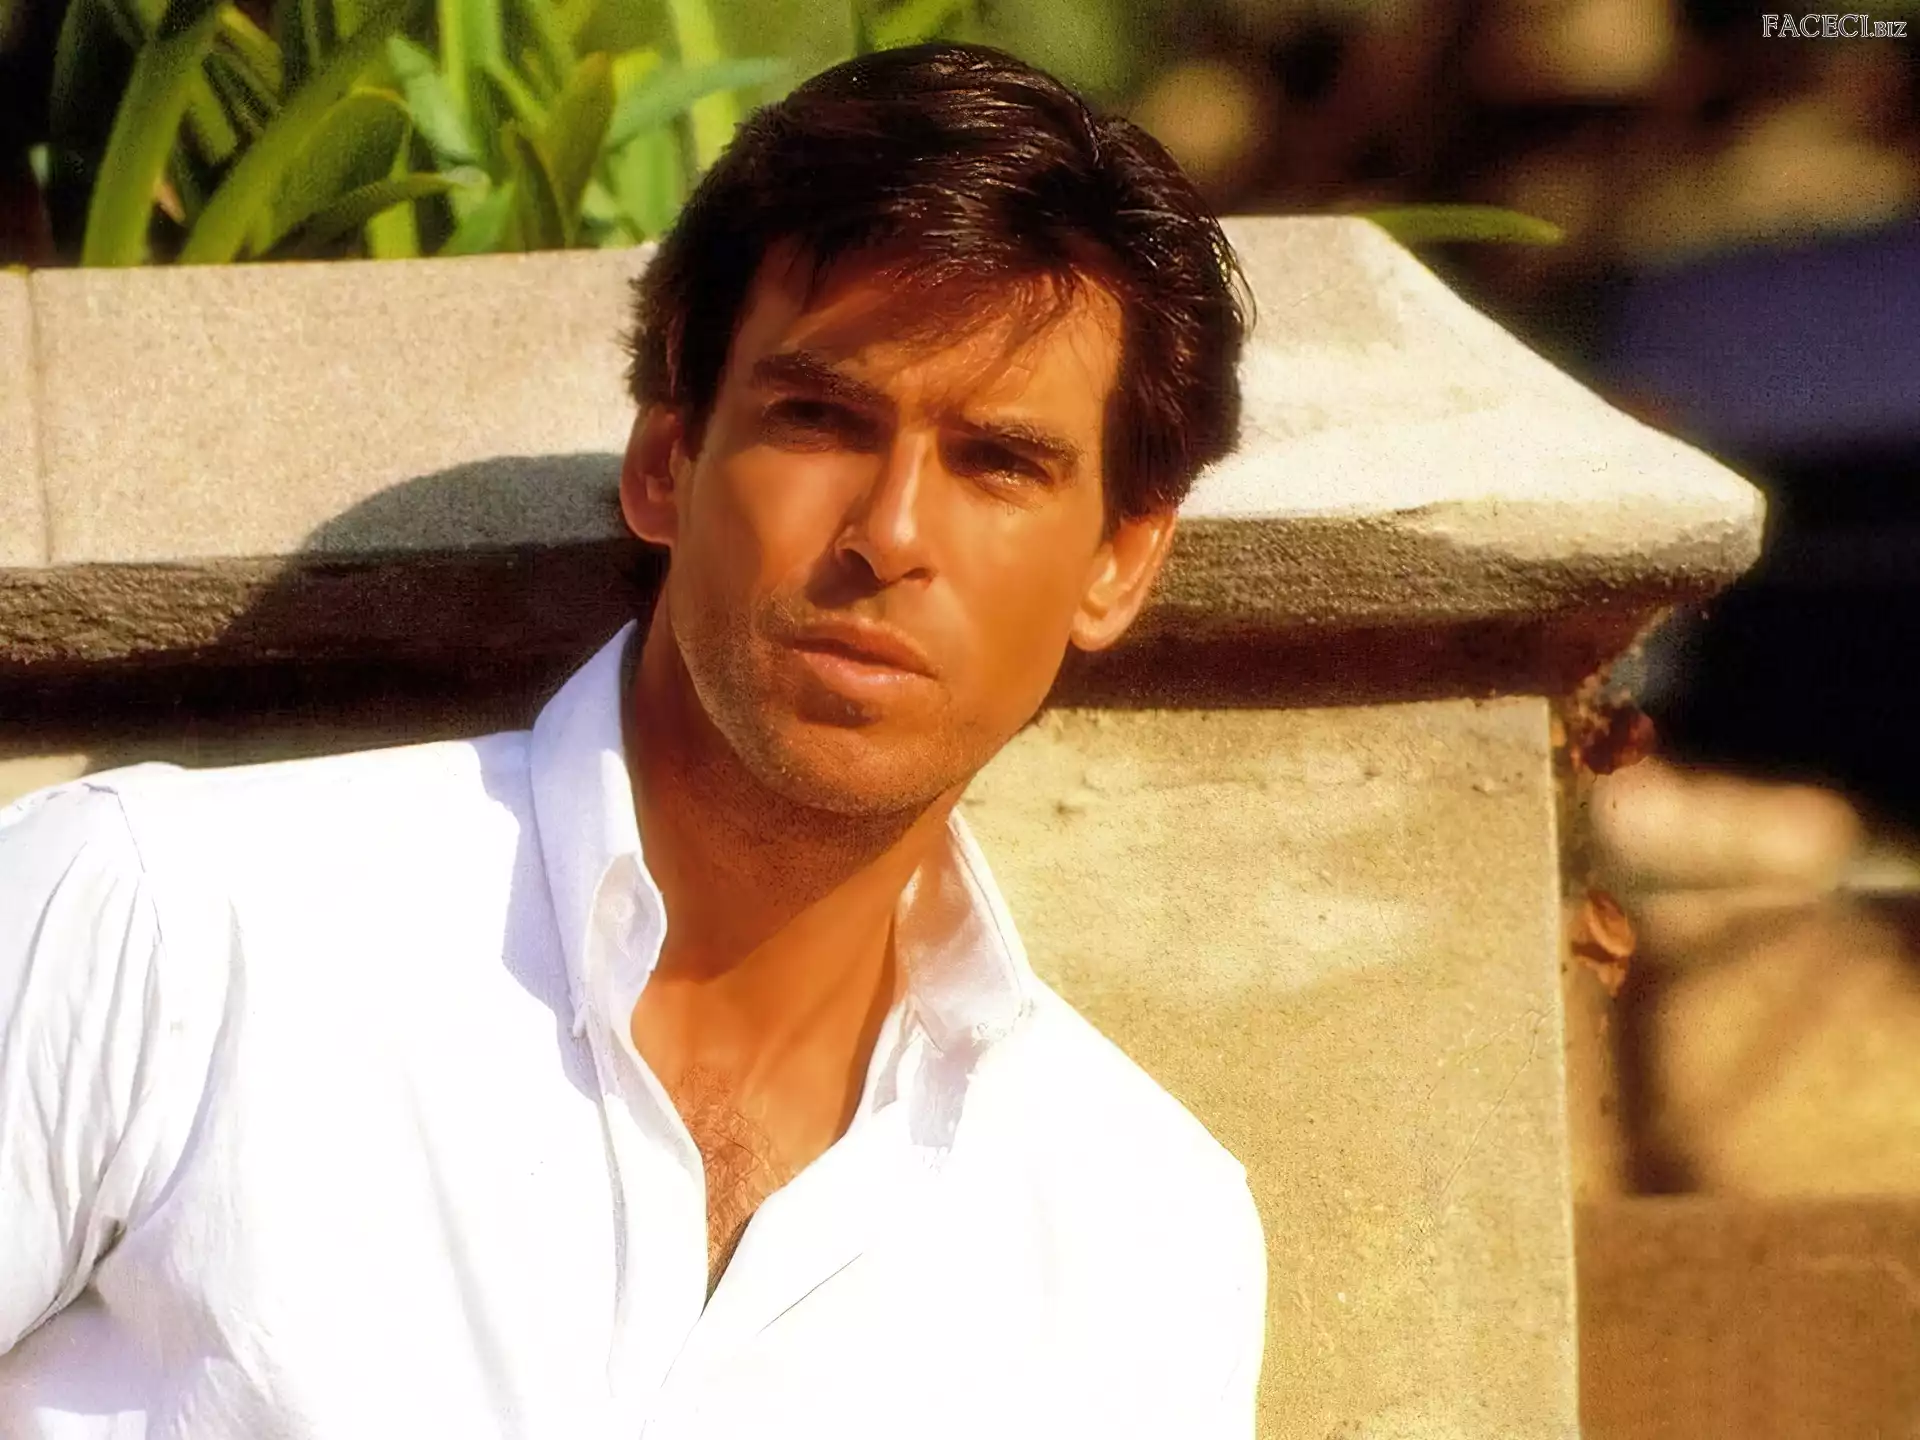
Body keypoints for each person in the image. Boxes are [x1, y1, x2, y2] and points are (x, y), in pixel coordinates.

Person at [0, 41, 1266, 1439]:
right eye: (819, 419)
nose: (892, 533)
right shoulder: (169, 926)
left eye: (999, 462)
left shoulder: (1149, 1247)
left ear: (1120, 564)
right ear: (667, 461)